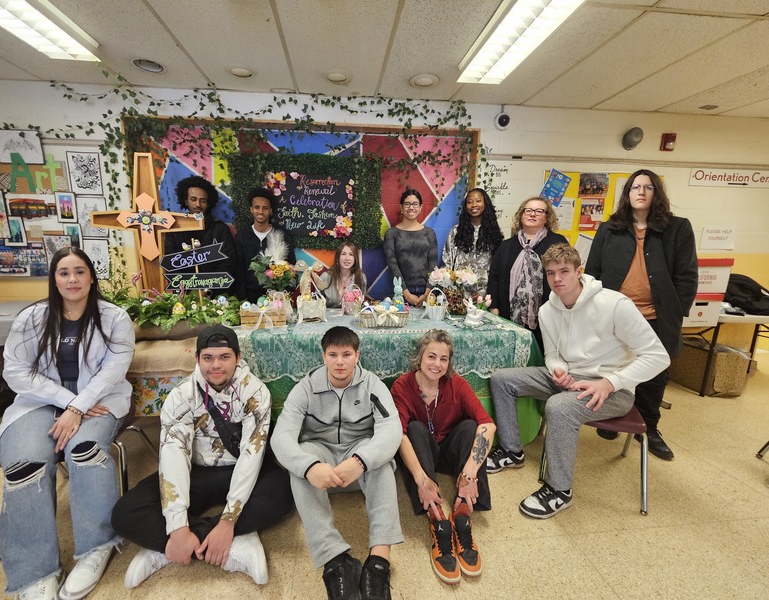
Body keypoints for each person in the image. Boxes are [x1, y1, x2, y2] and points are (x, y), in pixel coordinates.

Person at [489, 244, 669, 519]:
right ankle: (511, 451)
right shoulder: (548, 310)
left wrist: (610, 382)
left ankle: (559, 490)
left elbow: (658, 357)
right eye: (551, 273)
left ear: (579, 272)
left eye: (564, 271)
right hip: (569, 378)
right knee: (502, 379)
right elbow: (552, 354)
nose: (557, 279)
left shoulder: (615, 304)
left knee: (559, 408)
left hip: (613, 388)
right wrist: (558, 370)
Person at [0, 247, 135, 600]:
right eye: (64, 273)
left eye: (79, 272)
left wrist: (79, 406)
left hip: (98, 401)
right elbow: (16, 372)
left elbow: (113, 370)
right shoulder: (31, 319)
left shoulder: (114, 317)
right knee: (24, 465)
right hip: (39, 401)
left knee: (84, 451)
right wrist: (68, 403)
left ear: (91, 277)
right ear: (54, 279)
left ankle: (95, 546)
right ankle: (35, 571)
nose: (72, 279)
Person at [111, 324, 293, 589]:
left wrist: (228, 520)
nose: (215, 365)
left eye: (224, 357)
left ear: (238, 357)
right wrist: (177, 527)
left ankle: (173, 545)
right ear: (197, 359)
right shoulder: (181, 396)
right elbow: (173, 455)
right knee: (124, 513)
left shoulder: (255, 392)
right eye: (208, 358)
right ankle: (215, 542)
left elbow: (251, 454)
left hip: (239, 467)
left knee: (283, 492)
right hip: (196, 471)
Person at [271, 326, 403, 600]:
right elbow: (281, 436)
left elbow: (392, 429)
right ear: (323, 356)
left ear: (357, 355)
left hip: (358, 460)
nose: (340, 362)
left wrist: (362, 460)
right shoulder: (306, 387)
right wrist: (309, 467)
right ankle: (335, 560)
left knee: (382, 460)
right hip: (322, 463)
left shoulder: (373, 385)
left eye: (346, 354)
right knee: (299, 464)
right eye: (333, 355)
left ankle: (379, 560)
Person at [585, 170, 698, 461]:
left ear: (656, 193)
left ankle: (649, 427)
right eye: (635, 187)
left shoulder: (677, 228)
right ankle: (611, 416)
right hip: (615, 316)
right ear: (628, 193)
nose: (641, 192)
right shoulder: (610, 228)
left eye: (648, 187)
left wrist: (675, 312)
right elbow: (592, 272)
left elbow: (687, 277)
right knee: (611, 367)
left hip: (656, 316)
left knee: (654, 375)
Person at [390, 330, 495, 584]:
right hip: (422, 452)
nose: (437, 364)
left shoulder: (457, 384)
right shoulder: (402, 386)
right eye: (431, 356)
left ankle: (462, 513)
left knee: (471, 426)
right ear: (419, 357)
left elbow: (488, 425)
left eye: (443, 359)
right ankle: (436, 517)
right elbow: (398, 436)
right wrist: (421, 480)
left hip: (448, 452)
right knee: (414, 429)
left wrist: (469, 474)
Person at [487, 196, 567, 354]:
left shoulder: (558, 243)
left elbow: (566, 276)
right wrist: (494, 307)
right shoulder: (506, 245)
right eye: (528, 210)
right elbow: (494, 277)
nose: (532, 214)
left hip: (547, 316)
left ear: (547, 217)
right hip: (507, 317)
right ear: (521, 215)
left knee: (542, 357)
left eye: (539, 211)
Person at [163, 175, 237, 296]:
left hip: (216, 296)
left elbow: (227, 263)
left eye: (203, 200)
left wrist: (207, 289)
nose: (198, 204)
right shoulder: (175, 231)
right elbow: (169, 263)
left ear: (208, 203)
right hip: (184, 296)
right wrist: (188, 291)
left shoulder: (220, 229)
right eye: (193, 199)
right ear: (186, 201)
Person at [234, 187, 297, 303]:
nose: (260, 211)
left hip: (276, 298)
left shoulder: (281, 234)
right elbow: (238, 270)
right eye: (257, 207)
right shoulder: (242, 236)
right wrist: (242, 300)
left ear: (271, 211)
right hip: (249, 297)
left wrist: (284, 296)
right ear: (251, 209)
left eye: (265, 208)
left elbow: (291, 266)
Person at [441, 188, 503, 294]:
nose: (474, 205)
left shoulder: (494, 232)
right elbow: (447, 261)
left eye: (478, 201)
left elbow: (497, 265)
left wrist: (488, 292)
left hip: (484, 293)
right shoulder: (456, 231)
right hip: (459, 292)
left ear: (485, 204)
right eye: (469, 202)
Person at [383, 189, 438, 307]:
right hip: (400, 292)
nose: (411, 207)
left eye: (415, 204)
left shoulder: (429, 233)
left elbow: (433, 265)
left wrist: (426, 294)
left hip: (427, 293)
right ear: (401, 208)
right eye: (407, 204)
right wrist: (407, 295)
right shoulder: (391, 233)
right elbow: (393, 266)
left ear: (420, 207)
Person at [318, 241, 368, 308]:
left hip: (352, 314)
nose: (347, 258)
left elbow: (361, 303)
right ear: (337, 257)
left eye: (351, 254)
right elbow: (316, 300)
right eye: (343, 254)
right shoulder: (326, 277)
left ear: (355, 259)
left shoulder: (361, 278)